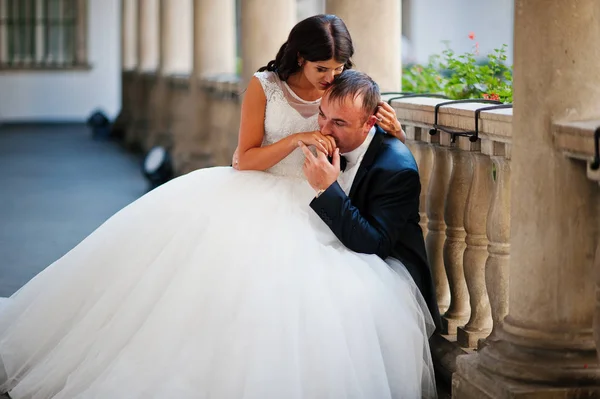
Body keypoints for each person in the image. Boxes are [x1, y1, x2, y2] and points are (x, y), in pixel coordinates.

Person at [0, 14, 436, 399]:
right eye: (323, 68)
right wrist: (296, 140)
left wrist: (391, 130)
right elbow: (243, 159)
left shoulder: (341, 85)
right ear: (300, 57)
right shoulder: (265, 86)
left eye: (339, 68)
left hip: (319, 201)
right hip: (259, 191)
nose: (331, 77)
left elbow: (359, 120)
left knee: (298, 302)